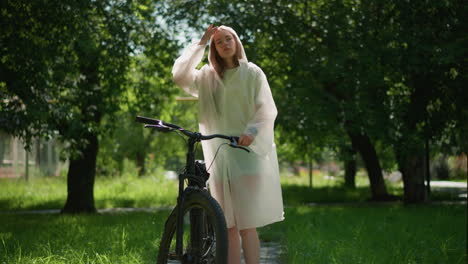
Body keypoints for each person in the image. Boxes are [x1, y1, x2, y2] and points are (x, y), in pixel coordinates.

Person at [172, 24, 284, 264]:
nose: (224, 44)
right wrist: (201, 43)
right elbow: (180, 76)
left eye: (228, 38)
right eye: (218, 41)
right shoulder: (207, 76)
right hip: (219, 156)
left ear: (236, 41)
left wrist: (251, 132)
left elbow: (265, 108)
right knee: (228, 225)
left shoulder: (252, 73)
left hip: (246, 153)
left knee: (247, 224)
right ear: (214, 48)